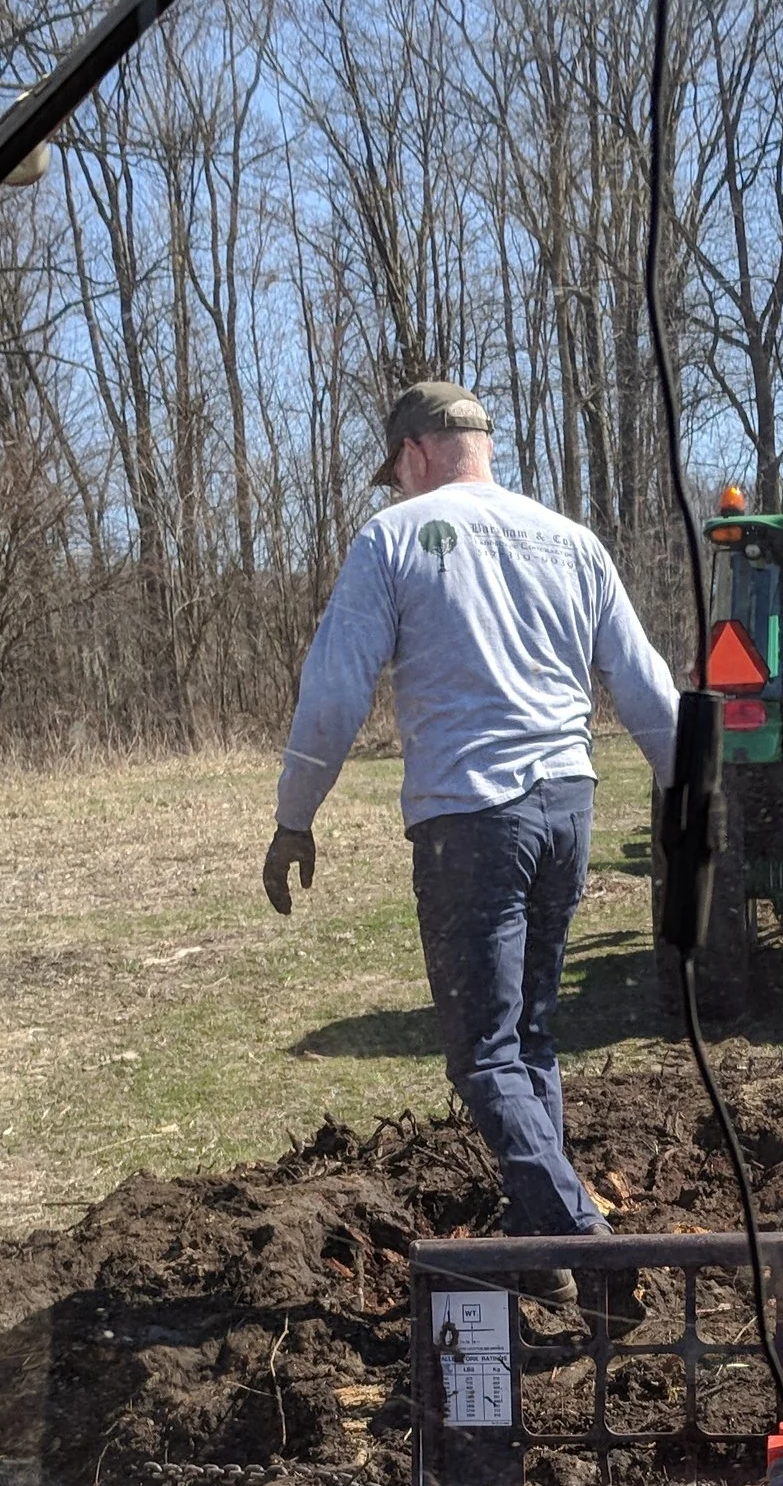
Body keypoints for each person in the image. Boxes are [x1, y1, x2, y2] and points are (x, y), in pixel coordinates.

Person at [264, 380, 684, 1245]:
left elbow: (335, 690)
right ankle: (541, 1231)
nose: (398, 486)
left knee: (484, 1056)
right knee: (530, 1038)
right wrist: (694, 802)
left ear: (416, 453)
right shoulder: (572, 542)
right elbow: (647, 688)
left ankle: (584, 1244)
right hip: (569, 808)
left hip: (472, 821)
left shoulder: (396, 537)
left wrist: (295, 813)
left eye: (398, 471)